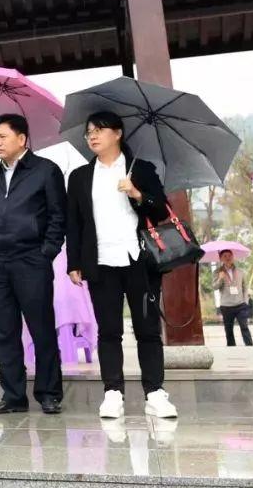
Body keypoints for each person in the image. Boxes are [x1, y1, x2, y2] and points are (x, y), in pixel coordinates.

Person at [65, 111, 177, 419]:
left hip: (138, 261)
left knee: (147, 329)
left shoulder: (140, 169)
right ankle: (112, 392)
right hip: (100, 264)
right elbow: (72, 224)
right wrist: (74, 262)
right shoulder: (79, 177)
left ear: (118, 133)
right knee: (109, 331)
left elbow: (163, 211)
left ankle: (155, 392)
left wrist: (136, 193)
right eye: (89, 131)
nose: (92, 136)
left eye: (99, 130)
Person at [0, 114, 66, 415]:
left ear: (22, 139)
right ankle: (13, 396)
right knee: (3, 331)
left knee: (41, 329)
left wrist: (46, 252)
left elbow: (57, 216)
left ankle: (49, 393)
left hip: (31, 260)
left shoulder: (46, 171)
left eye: (2, 136)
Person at [215, 250, 253, 347]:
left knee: (244, 326)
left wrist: (245, 302)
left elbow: (245, 287)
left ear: (233, 257)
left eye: (230, 255)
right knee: (229, 330)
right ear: (221, 258)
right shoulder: (217, 272)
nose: (228, 258)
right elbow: (214, 287)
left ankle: (250, 347)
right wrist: (220, 278)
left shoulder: (240, 271)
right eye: (225, 256)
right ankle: (232, 349)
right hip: (226, 306)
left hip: (240, 305)